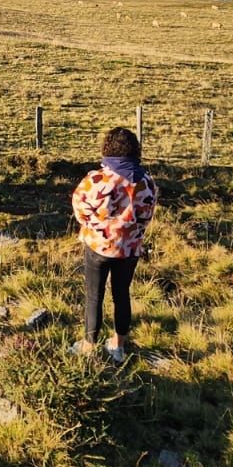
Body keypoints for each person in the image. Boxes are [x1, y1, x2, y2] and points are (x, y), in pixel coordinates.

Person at [70, 126, 158, 363]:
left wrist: (97, 228)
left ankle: (89, 345)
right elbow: (146, 215)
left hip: (98, 247)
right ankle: (118, 346)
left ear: (107, 149)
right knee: (122, 295)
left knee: (93, 296)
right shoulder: (146, 181)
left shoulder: (96, 180)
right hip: (130, 249)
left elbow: (80, 210)